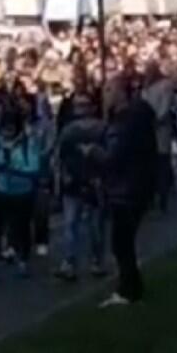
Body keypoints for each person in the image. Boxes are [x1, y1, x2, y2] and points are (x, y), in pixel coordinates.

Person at [88, 75, 157, 307]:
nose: (104, 94)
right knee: (123, 241)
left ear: (120, 93)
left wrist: (93, 152)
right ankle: (131, 287)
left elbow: (114, 156)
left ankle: (129, 290)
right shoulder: (137, 116)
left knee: (121, 242)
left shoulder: (124, 122)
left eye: (108, 90)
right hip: (136, 184)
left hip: (127, 188)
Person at [0, 107, 41, 282]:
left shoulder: (28, 143)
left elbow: (34, 167)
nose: (7, 133)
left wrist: (14, 169)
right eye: (4, 129)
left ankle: (23, 260)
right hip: (2, 190)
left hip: (23, 192)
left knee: (22, 227)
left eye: (11, 129)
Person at [53, 92, 107, 282]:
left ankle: (96, 261)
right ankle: (70, 262)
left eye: (85, 105)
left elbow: (109, 155)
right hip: (73, 182)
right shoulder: (68, 130)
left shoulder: (101, 129)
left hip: (94, 181)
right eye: (78, 106)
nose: (81, 109)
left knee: (94, 226)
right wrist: (61, 178)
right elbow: (60, 156)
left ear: (92, 107)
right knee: (70, 224)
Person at [142, 63, 177, 213]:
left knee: (162, 161)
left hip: (161, 129)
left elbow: (166, 106)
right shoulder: (146, 88)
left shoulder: (165, 85)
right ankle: (152, 195)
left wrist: (157, 120)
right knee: (150, 164)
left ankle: (163, 196)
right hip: (148, 130)